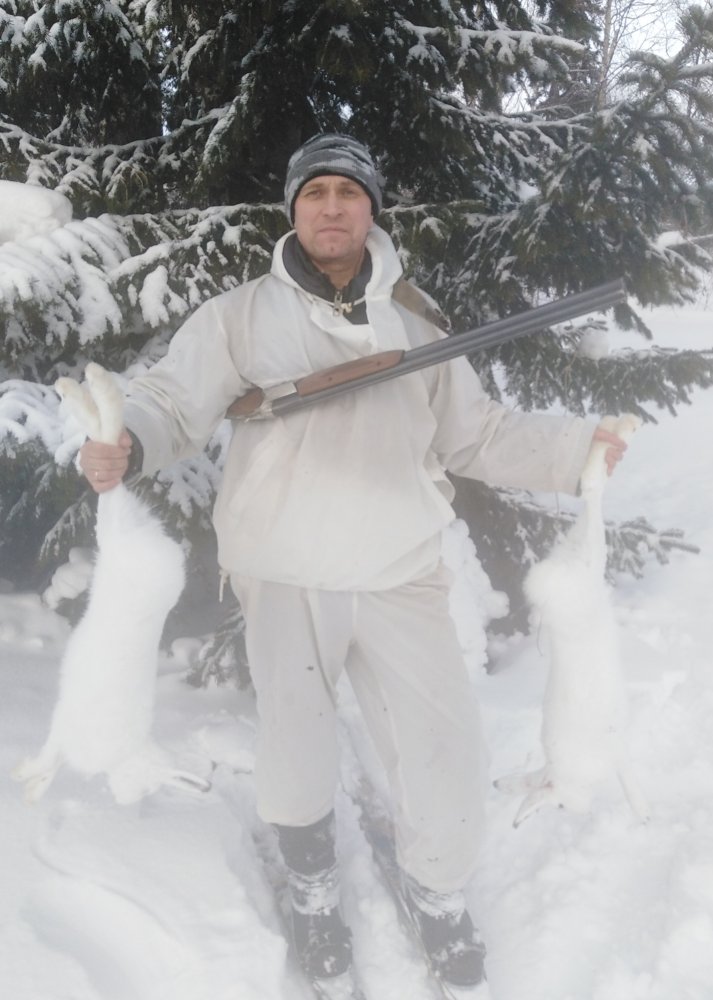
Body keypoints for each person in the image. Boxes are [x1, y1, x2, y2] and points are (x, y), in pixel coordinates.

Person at [79, 134, 627, 988]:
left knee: (442, 746)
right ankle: (311, 887)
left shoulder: (415, 318)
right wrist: (129, 441)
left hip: (398, 566)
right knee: (295, 744)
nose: (331, 206)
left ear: (371, 209)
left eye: (347, 192)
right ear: (293, 209)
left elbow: (475, 433)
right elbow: (170, 403)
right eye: (315, 192)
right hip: (283, 564)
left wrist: (574, 448)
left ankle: (436, 891)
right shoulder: (236, 317)